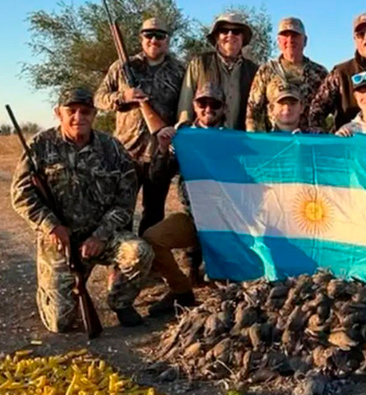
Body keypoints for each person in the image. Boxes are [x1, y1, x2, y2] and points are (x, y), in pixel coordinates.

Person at [11, 88, 154, 332]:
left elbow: (126, 200)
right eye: (72, 111)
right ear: (58, 114)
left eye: (85, 111)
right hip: (59, 240)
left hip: (101, 236)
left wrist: (101, 235)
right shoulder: (40, 145)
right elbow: (20, 194)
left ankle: (120, 301)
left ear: (94, 115)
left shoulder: (112, 148)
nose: (79, 117)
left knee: (139, 252)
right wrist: (51, 226)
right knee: (60, 323)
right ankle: (51, 289)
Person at [95, 17, 185, 235]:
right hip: (126, 153)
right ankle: (123, 262)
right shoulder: (122, 67)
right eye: (148, 35)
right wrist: (123, 96)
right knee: (121, 210)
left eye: (160, 35)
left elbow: (186, 108)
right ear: (141, 38)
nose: (154, 40)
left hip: (160, 155)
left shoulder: (180, 71)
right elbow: (98, 99)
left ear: (168, 40)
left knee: (154, 213)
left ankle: (150, 260)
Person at [143, 83, 227, 316]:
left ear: (223, 108)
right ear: (194, 106)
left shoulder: (234, 139)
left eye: (214, 104)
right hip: (194, 218)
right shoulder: (183, 138)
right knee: (152, 239)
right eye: (202, 103)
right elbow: (158, 178)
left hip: (230, 223)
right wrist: (162, 148)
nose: (208, 108)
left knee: (228, 286)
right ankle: (181, 291)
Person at [177, 12, 258, 129]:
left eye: (236, 31)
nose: (230, 35)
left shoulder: (253, 70)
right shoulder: (199, 63)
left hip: (240, 140)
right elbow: (185, 104)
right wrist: (184, 131)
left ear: (243, 37)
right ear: (216, 37)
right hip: (204, 137)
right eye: (224, 31)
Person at [246, 17, 327, 132]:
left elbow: (331, 110)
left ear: (305, 41)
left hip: (310, 142)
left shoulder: (320, 73)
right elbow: (253, 111)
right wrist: (258, 141)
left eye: (295, 35)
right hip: (276, 143)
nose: (290, 40)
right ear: (278, 41)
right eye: (285, 36)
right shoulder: (267, 71)